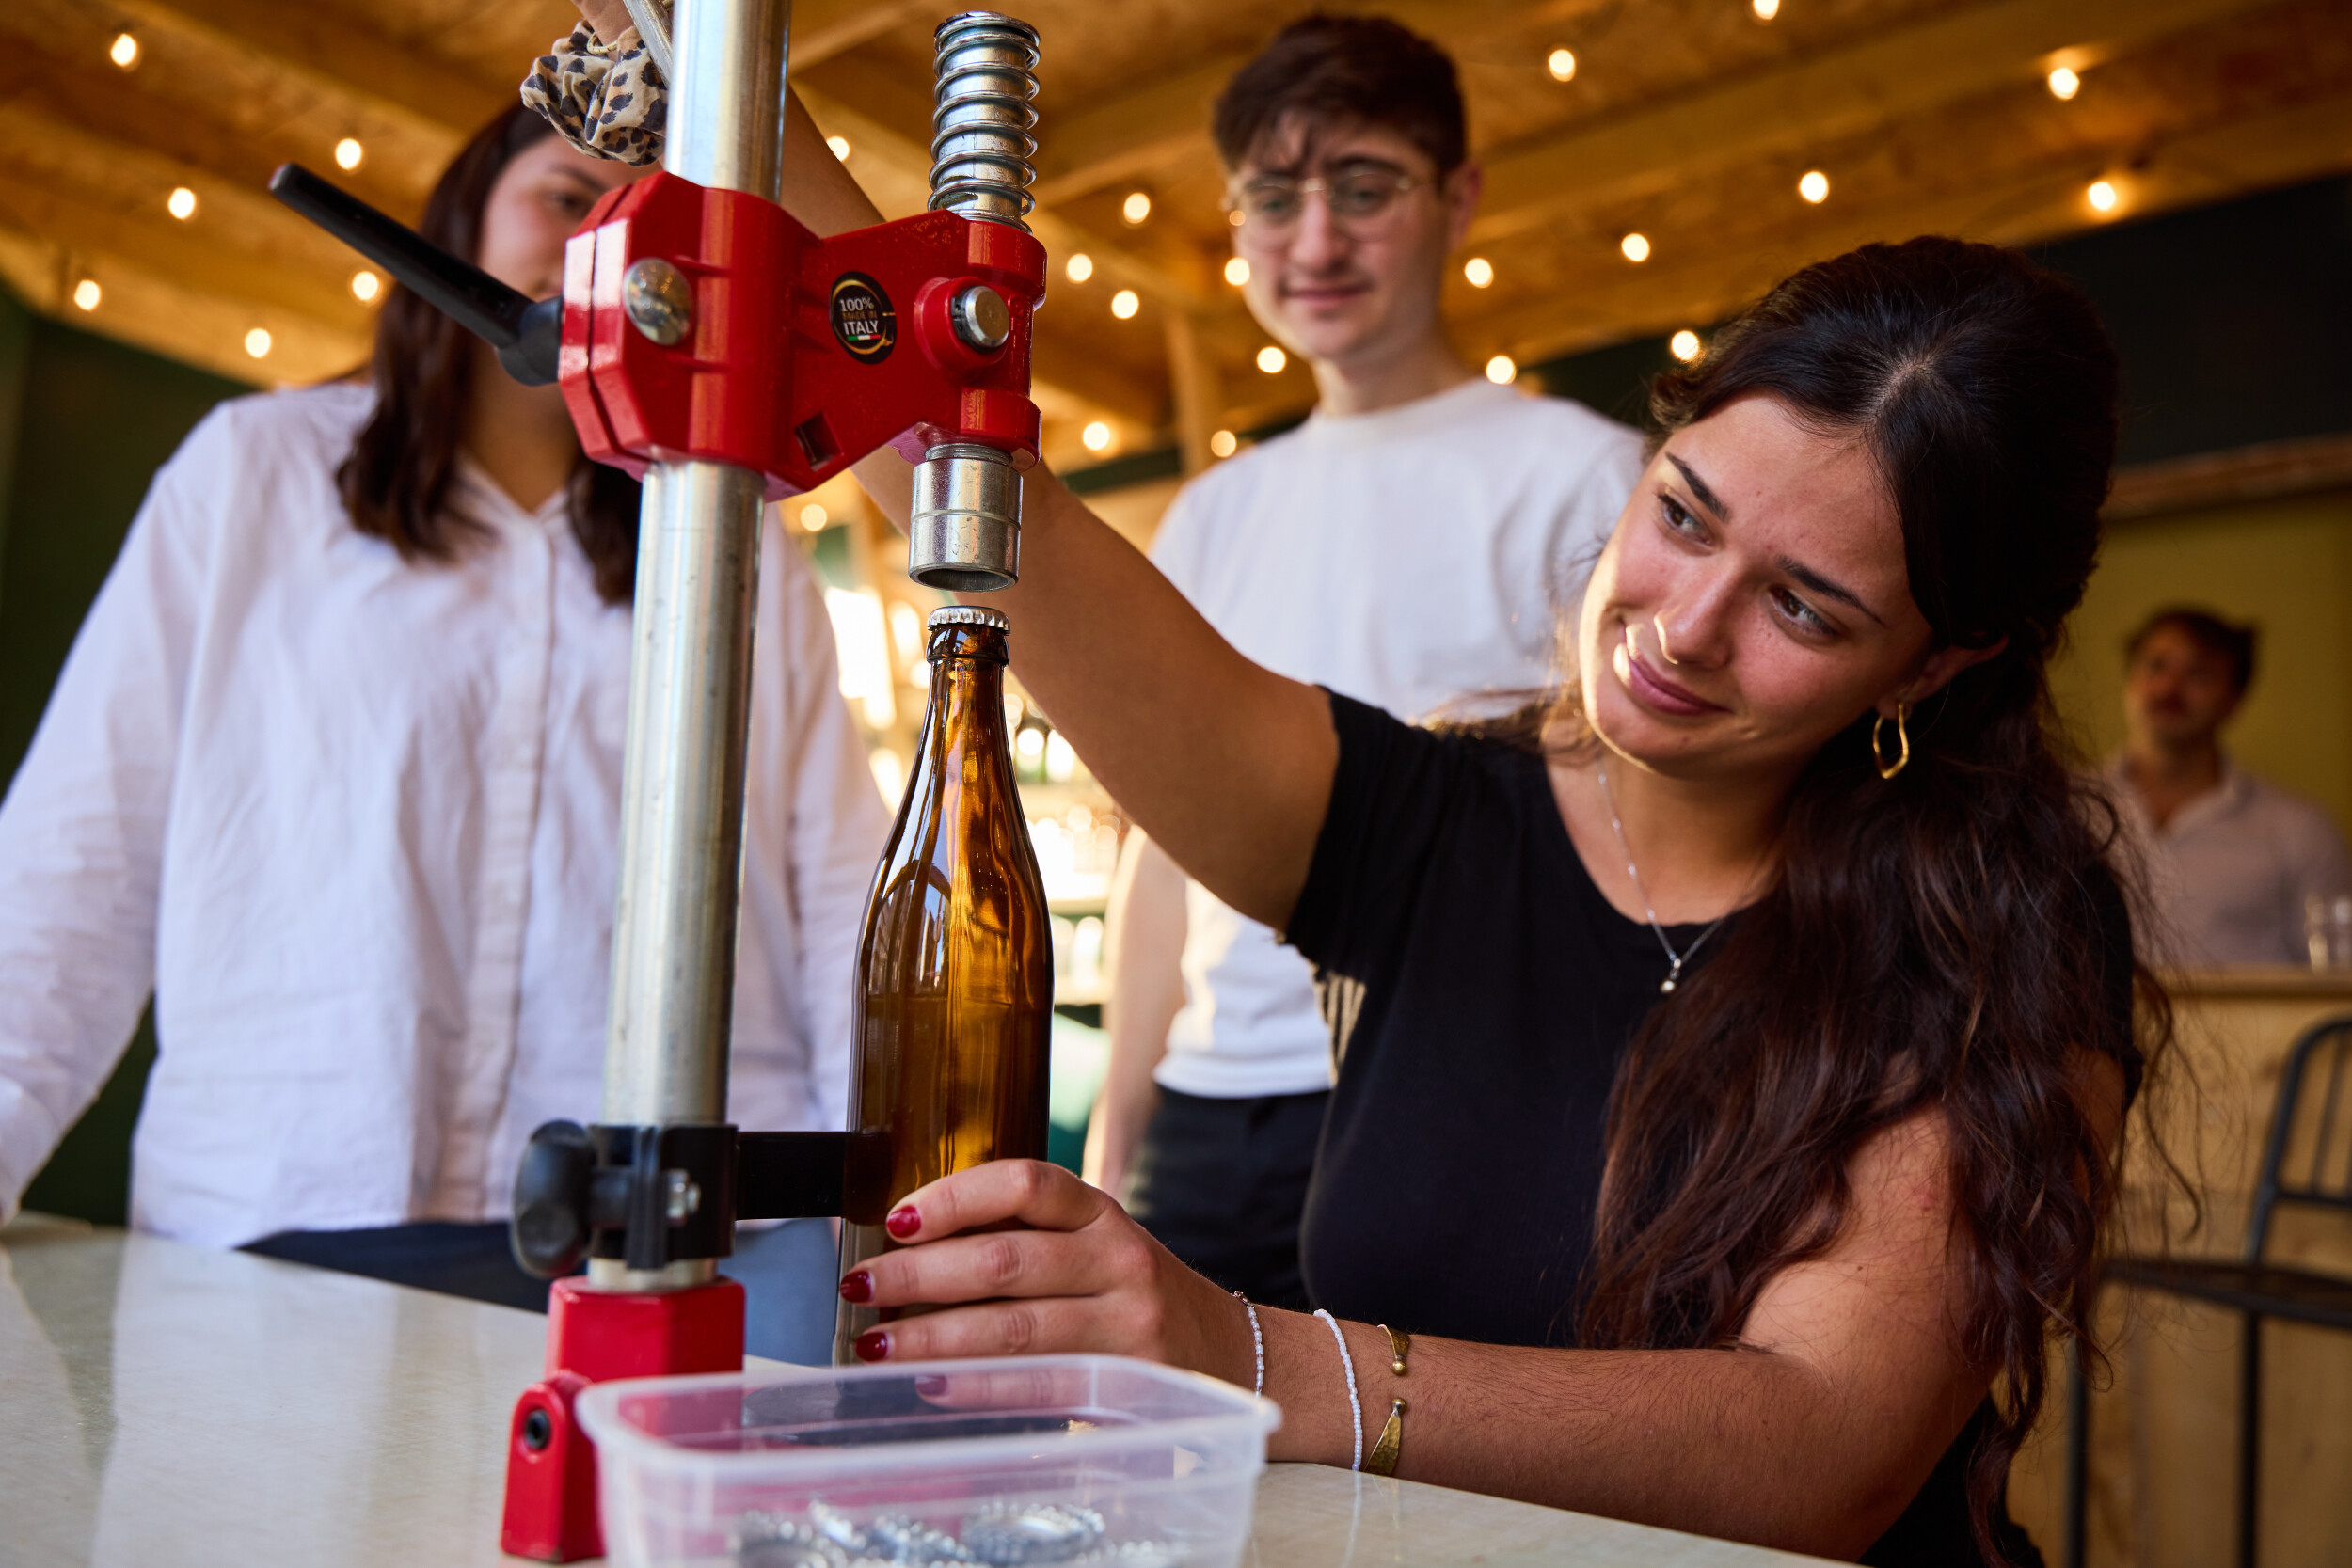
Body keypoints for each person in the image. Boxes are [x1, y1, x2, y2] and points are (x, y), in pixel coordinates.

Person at [533, 43, 2158, 1568]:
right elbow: (998, 509)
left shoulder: (2003, 932)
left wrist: (1254, 1354)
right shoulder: (1443, 825)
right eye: (1682, 513)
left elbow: (1820, 1443)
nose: (1678, 624)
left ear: (1936, 666)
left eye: (1802, 607)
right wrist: (729, 102)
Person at [0, 104, 890, 1364]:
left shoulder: (744, 555)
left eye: (656, 234)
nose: (611, 250)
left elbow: (843, 892)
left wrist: (889, 1222)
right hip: (290, 1206)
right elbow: (80, 855)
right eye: (568, 198)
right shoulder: (252, 474)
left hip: (684, 1242)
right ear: (458, 220)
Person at [1084, 17, 1642, 1314]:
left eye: (1364, 186)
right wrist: (1119, 1130)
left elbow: (1628, 836)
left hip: (1458, 1098)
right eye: (1274, 199)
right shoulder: (1215, 508)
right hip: (1209, 1115)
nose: (1317, 241)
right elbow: (1161, 853)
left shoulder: (1582, 476)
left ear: (1457, 199)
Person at [2104, 607, 2352, 966]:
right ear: (2129, 679)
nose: (2169, 688)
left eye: (2199, 674)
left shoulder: (2300, 829)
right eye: (2156, 666)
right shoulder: (2065, 807)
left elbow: (2339, 978)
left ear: (2234, 700)